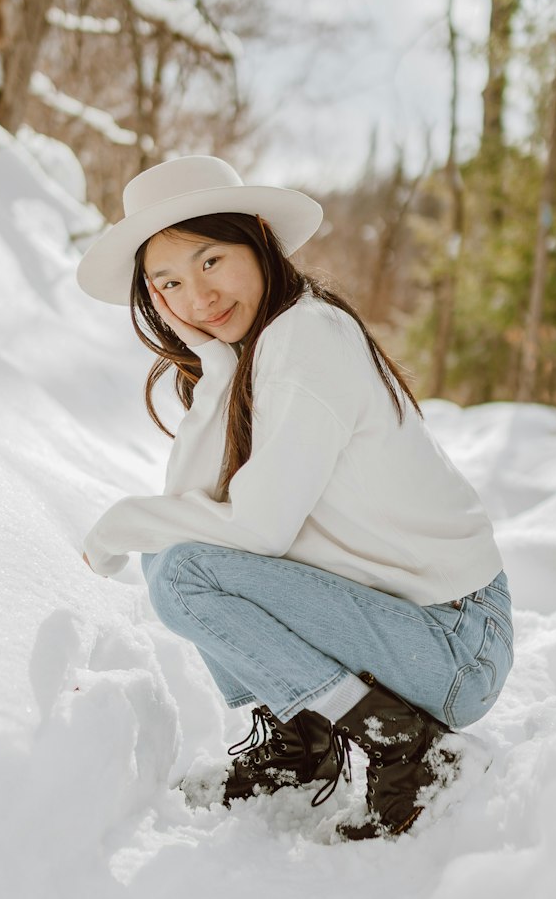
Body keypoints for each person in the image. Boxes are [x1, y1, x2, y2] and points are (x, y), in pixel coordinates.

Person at [78, 155, 513, 839]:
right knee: (169, 557)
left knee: (180, 565)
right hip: (418, 629)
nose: (197, 297)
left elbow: (256, 529)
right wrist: (216, 361)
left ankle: (400, 743)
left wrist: (120, 522)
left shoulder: (305, 338)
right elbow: (195, 505)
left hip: (454, 642)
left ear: (257, 236)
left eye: (210, 261)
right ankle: (302, 739)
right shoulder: (260, 347)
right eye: (170, 283)